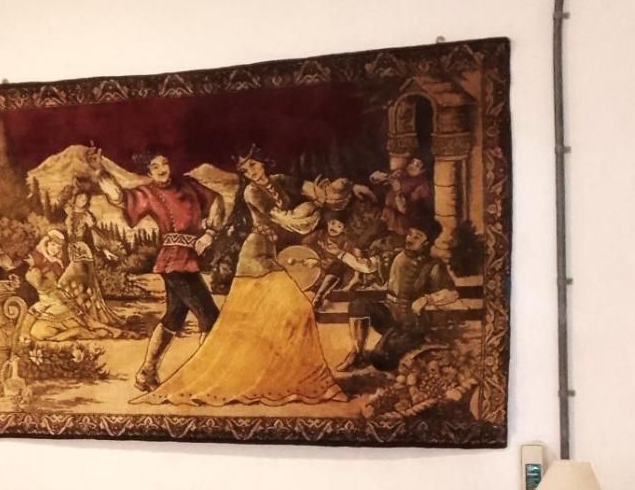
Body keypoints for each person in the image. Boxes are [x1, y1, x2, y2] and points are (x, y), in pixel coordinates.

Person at [137, 152, 345, 407]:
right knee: (293, 308)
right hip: (254, 258)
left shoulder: (281, 180)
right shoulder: (252, 193)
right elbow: (290, 221)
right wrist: (319, 205)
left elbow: (312, 189)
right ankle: (208, 378)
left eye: (254, 165)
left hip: (269, 254)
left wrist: (328, 193)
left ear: (263, 162)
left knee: (180, 316)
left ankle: (149, 372)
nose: (252, 172)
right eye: (246, 170)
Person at [92, 148, 225, 390]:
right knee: (210, 317)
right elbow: (119, 197)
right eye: (155, 166)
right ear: (148, 172)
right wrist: (100, 172)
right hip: (173, 262)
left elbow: (217, 201)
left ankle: (146, 373)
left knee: (174, 317)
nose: (162, 169)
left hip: (191, 258)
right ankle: (205, 377)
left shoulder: (189, 184)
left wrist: (211, 233)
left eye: (164, 163)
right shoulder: (148, 193)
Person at [338, 220, 459, 372]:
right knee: (358, 305)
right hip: (389, 313)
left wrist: (427, 299)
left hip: (410, 322)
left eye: (417, 236)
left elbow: (452, 293)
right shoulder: (394, 255)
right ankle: (357, 353)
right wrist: (341, 254)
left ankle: (418, 345)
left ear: (427, 243)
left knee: (380, 359)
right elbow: (367, 266)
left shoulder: (433, 265)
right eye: (410, 234)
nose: (410, 239)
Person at [56, 183, 123, 335]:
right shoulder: (69, 211)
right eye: (80, 197)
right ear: (75, 198)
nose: (82, 201)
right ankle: (80, 317)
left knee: (69, 283)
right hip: (71, 250)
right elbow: (61, 200)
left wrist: (105, 250)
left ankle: (91, 317)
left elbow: (95, 234)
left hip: (82, 251)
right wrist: (70, 188)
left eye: (85, 199)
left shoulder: (87, 216)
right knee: (77, 285)